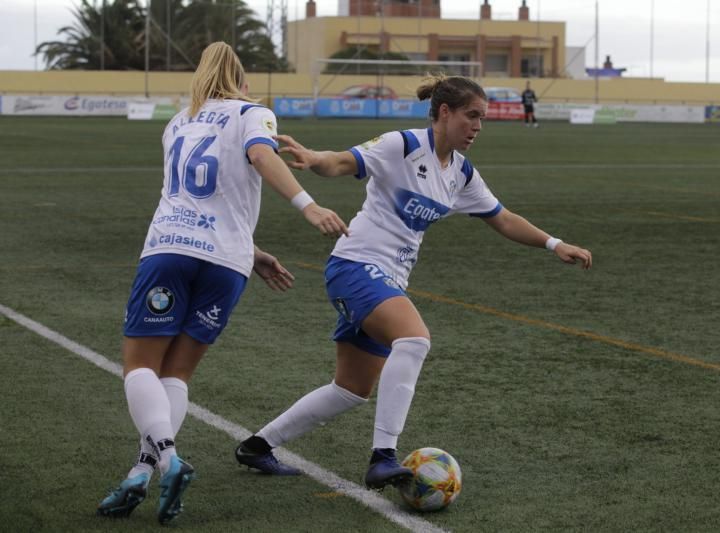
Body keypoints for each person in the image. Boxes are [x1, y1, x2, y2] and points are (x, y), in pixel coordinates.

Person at [235, 74, 592, 490]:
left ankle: (258, 446)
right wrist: (314, 159)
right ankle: (383, 456)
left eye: (483, 119)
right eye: (471, 116)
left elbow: (502, 218)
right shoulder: (400, 145)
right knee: (415, 339)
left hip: (387, 280)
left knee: (351, 389)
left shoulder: (460, 173)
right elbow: (340, 162)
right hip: (355, 266)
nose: (478, 126)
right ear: (445, 112)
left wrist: (554, 243)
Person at [96, 42, 348, 524]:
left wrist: (300, 212)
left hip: (170, 249)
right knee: (176, 375)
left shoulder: (178, 122)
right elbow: (255, 157)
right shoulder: (254, 112)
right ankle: (141, 472)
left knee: (140, 366)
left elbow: (190, 194)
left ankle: (167, 458)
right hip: (228, 262)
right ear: (243, 82)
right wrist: (293, 217)